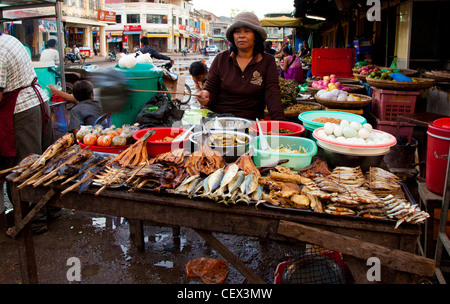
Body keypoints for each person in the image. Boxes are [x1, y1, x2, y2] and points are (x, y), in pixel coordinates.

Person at [0, 33, 55, 233]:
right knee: (44, 159)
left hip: (21, 110)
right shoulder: (8, 38)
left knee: (26, 166)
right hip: (34, 101)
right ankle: (51, 210)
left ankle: (35, 221)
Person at [197, 12, 285, 121]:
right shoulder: (221, 59)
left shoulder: (267, 61)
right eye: (237, 32)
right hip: (220, 120)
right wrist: (206, 96)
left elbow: (272, 95)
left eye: (247, 31)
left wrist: (280, 124)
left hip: (252, 121)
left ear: (256, 36)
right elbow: (210, 90)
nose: (241, 35)